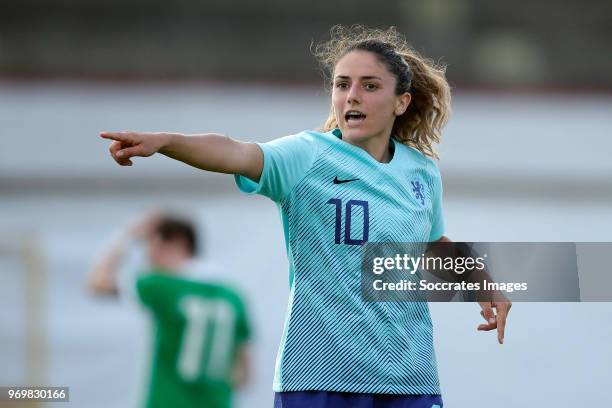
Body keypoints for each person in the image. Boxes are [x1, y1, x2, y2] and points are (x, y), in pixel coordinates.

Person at [99, 25, 511, 408]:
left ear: (401, 102)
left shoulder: (421, 171)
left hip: (410, 378)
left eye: (370, 86)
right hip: (319, 376)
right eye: (342, 84)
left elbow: (433, 244)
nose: (352, 96)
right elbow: (235, 152)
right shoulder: (308, 156)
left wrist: (483, 282)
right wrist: (168, 141)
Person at [88, 212, 251, 408]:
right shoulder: (233, 295)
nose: (148, 257)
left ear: (176, 244)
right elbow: (243, 374)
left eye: (152, 246)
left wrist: (126, 235)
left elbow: (97, 283)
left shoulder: (163, 285)